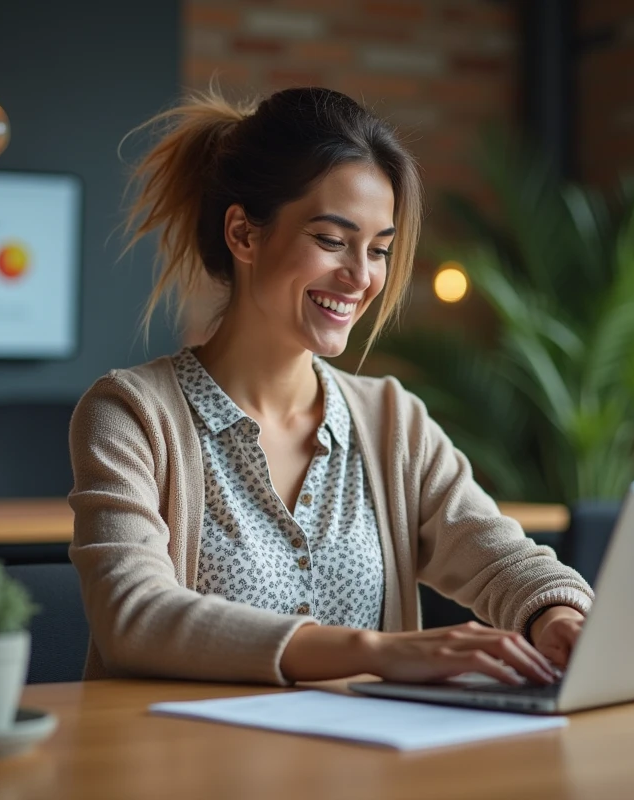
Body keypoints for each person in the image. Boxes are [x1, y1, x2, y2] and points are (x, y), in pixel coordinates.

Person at [69, 86, 593, 688]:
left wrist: (557, 614)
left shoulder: (394, 420)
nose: (361, 277)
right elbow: (133, 618)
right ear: (243, 234)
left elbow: (499, 558)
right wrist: (378, 651)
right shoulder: (130, 415)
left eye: (378, 250)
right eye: (331, 240)